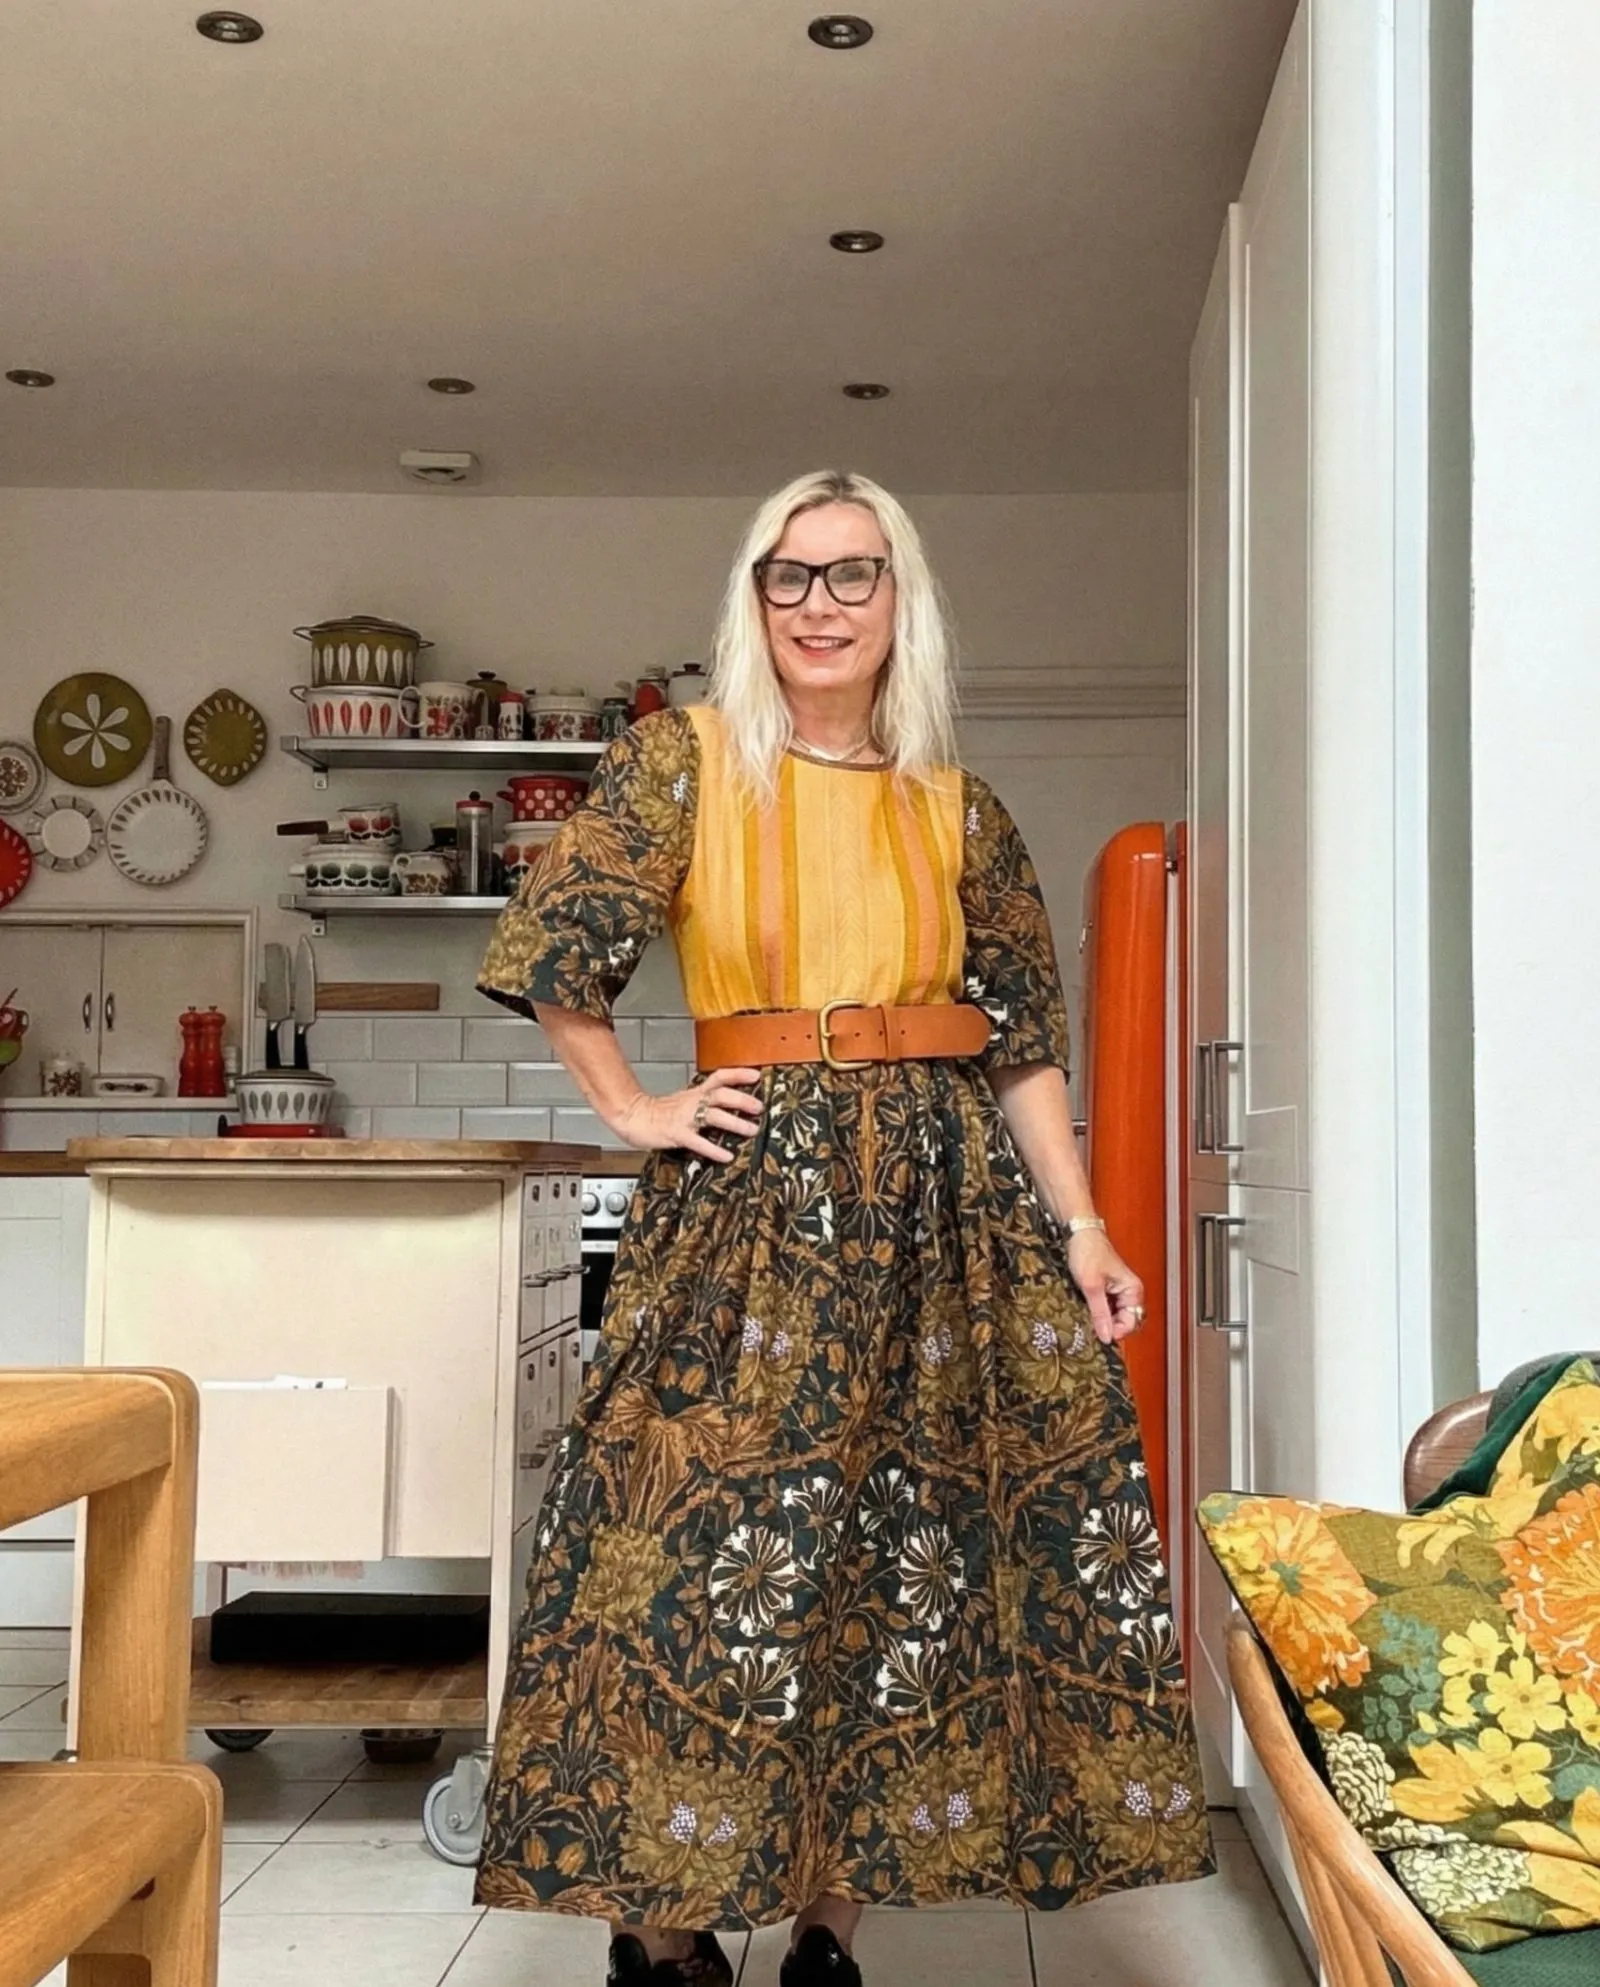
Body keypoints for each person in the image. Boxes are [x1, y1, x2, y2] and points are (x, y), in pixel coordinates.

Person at [474, 471, 1212, 1986]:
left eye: (854, 575)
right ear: (754, 601)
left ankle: (830, 1926)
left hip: (943, 1218)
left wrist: (1081, 1224)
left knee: (903, 1550)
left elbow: (1020, 1045)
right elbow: (563, 947)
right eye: (790, 577)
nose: (821, 605)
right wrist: (635, 1107)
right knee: (679, 1548)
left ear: (901, 601)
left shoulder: (958, 806)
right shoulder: (678, 764)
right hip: (745, 1208)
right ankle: (663, 1927)